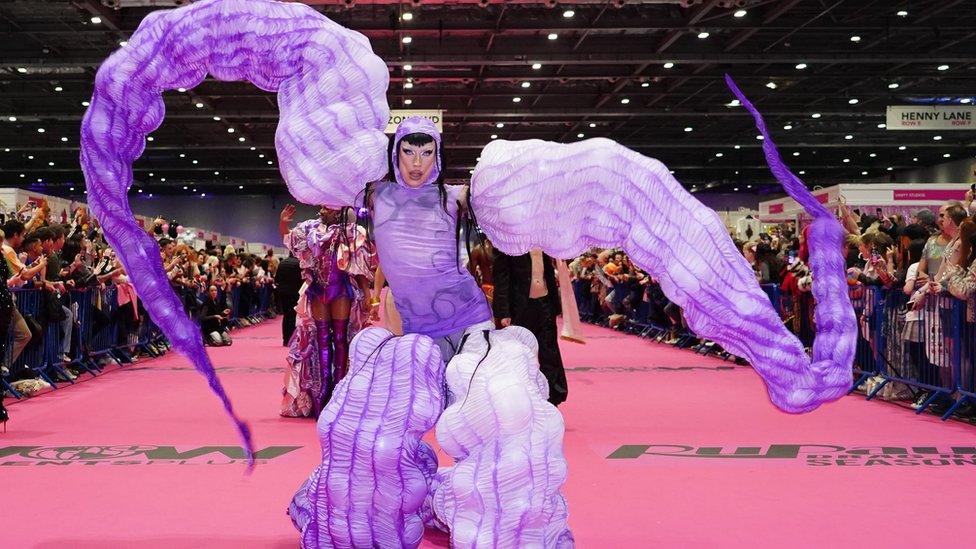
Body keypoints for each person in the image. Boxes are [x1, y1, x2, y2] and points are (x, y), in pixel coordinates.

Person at [366, 117, 494, 365]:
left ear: (437, 156)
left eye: (426, 153)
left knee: (470, 397)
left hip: (469, 320)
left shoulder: (455, 196)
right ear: (394, 153)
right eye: (408, 152)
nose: (417, 163)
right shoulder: (375, 195)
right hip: (417, 331)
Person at [279, 204, 374, 416]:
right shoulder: (309, 229)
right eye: (321, 207)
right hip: (317, 290)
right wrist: (284, 223)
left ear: (337, 210)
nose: (321, 211)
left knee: (340, 338)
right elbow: (290, 240)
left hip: (341, 290)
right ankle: (323, 387)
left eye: (326, 208)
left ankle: (340, 386)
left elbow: (359, 267)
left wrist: (367, 295)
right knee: (321, 338)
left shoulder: (352, 232)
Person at [492, 248, 569, 406]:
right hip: (520, 307)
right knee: (520, 355)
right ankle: (519, 400)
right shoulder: (508, 240)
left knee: (549, 351)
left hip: (545, 302)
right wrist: (503, 312)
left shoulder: (543, 238)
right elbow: (501, 275)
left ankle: (551, 398)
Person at [275, 252, 302, 346]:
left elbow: (277, 279)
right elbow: (301, 279)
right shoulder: (299, 263)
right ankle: (292, 339)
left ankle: (285, 339)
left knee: (286, 315)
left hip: (282, 292)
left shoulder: (282, 263)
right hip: (294, 292)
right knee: (293, 315)